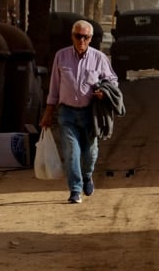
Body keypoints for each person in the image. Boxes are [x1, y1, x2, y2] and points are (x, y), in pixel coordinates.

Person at [40, 20, 118, 204]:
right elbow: (54, 88)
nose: (81, 40)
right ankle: (75, 189)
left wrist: (103, 93)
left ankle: (87, 175)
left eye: (86, 37)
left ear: (90, 39)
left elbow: (113, 81)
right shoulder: (61, 56)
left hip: (91, 114)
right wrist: (48, 114)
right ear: (72, 36)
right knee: (71, 153)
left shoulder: (99, 58)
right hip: (67, 113)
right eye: (78, 36)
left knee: (90, 153)